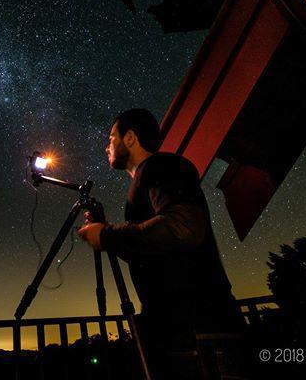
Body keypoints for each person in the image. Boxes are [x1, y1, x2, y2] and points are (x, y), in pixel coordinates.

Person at [78, 108, 244, 379]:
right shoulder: (149, 178)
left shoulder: (163, 166)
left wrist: (107, 236)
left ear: (130, 138)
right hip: (181, 331)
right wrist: (106, 231)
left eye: (111, 138)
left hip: (200, 332)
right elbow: (151, 249)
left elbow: (184, 227)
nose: (107, 145)